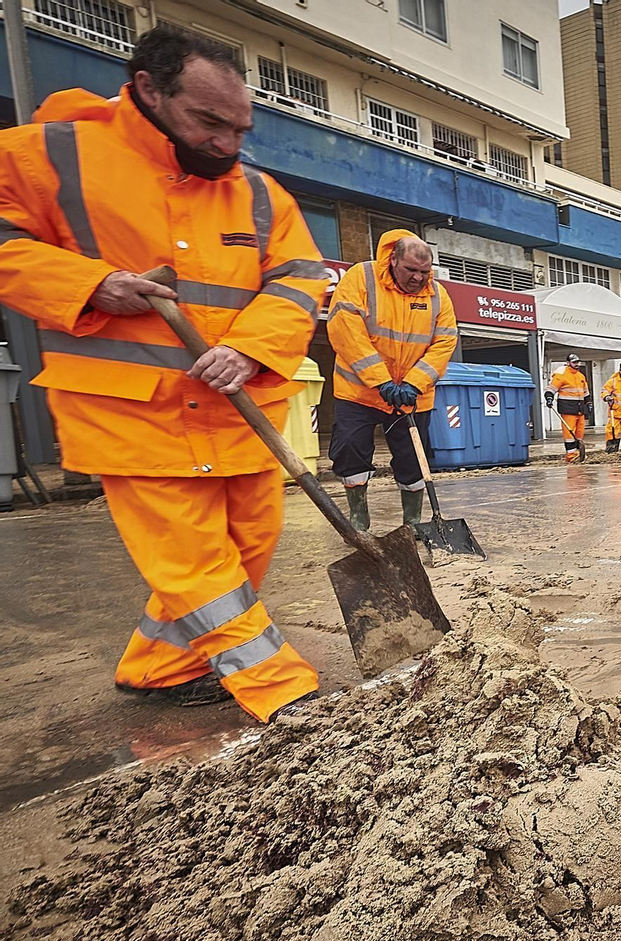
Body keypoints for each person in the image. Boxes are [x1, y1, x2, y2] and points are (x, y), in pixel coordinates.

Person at [0, 26, 327, 721]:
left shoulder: (261, 196)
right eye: (208, 123)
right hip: (130, 410)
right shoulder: (52, 155)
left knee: (250, 545)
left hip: (237, 407)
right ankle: (283, 690)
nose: (229, 145)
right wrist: (88, 284)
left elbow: (300, 280)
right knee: (197, 565)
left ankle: (159, 666)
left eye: (240, 127)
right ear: (149, 90)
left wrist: (251, 346)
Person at [327, 230, 457, 532]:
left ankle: (411, 524)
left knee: (413, 459)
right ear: (393, 259)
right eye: (410, 270)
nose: (418, 278)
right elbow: (346, 331)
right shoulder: (362, 278)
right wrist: (381, 381)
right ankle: (359, 518)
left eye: (425, 272)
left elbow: (444, 343)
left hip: (412, 396)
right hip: (359, 392)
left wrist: (413, 384)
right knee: (350, 450)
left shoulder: (438, 295)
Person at [545, 354, 589, 462]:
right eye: (574, 362)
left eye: (578, 362)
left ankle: (579, 454)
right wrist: (549, 399)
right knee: (569, 434)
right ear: (568, 363)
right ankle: (571, 456)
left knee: (579, 433)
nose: (577, 364)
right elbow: (550, 390)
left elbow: (586, 392)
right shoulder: (561, 375)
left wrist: (589, 403)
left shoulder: (581, 376)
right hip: (568, 409)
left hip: (580, 409)